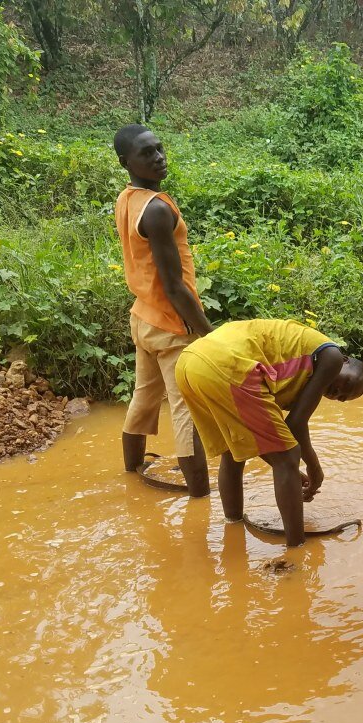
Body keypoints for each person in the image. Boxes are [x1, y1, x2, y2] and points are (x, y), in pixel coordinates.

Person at [174, 319, 363, 547]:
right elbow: (295, 424)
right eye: (348, 384)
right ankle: (297, 548)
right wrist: (314, 470)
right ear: (345, 362)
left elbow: (279, 430)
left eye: (342, 398)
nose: (338, 393)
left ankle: (232, 527)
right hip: (226, 364)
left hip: (189, 363)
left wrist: (283, 465)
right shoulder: (331, 357)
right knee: (288, 457)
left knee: (234, 449)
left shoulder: (297, 371)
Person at [113, 124, 213, 497]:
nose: (158, 157)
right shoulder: (156, 210)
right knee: (188, 412)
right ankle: (202, 497)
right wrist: (208, 332)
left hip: (143, 317)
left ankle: (132, 473)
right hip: (171, 326)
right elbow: (174, 286)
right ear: (126, 162)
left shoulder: (128, 199)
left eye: (159, 149)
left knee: (144, 397)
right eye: (147, 153)